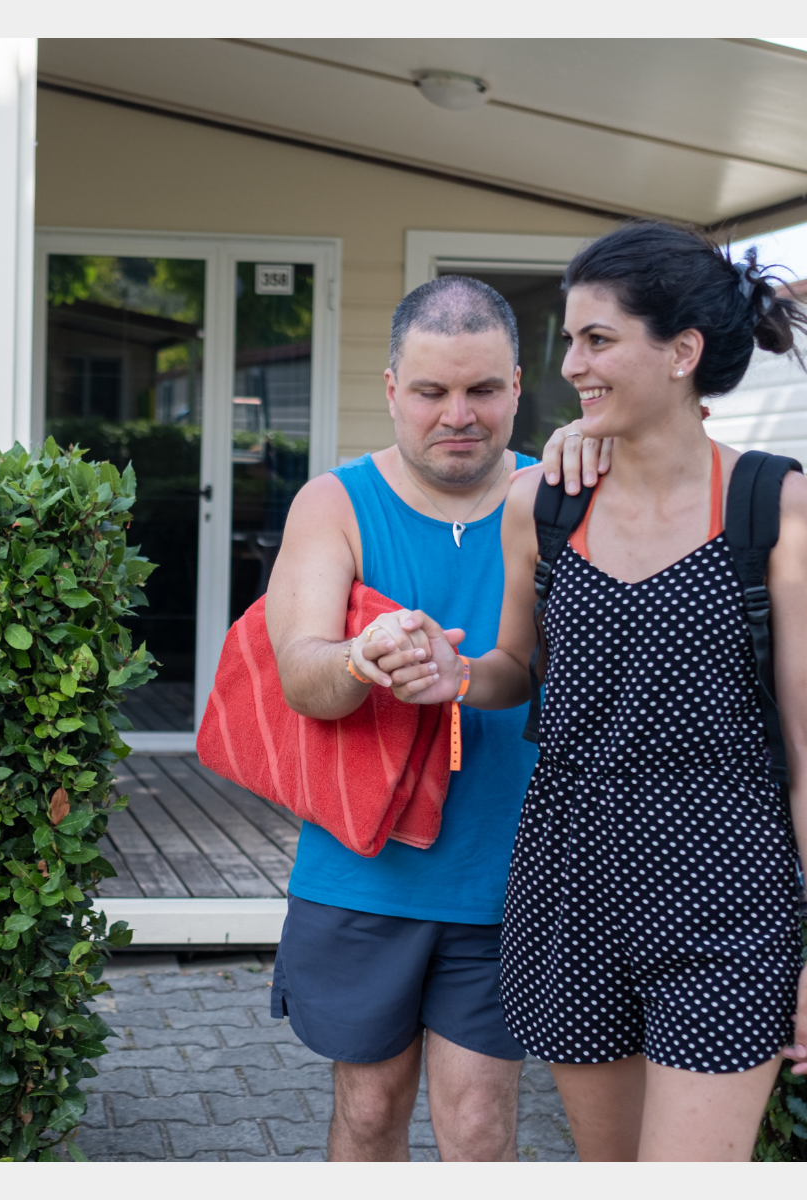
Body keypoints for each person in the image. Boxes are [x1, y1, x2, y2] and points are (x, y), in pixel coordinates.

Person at [382, 222, 807, 1162]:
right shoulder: (544, 502)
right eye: (570, 339)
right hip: (571, 883)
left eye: (597, 339)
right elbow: (519, 668)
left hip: (724, 890)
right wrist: (458, 675)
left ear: (682, 352)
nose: (571, 364)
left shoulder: (771, 504)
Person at [263, 274, 609, 1162]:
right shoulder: (333, 504)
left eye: (483, 389)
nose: (459, 413)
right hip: (360, 872)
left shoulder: (566, 497)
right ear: (391, 391)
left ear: (519, 389)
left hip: (512, 872)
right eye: (431, 391)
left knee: (481, 1126)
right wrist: (358, 660)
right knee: (371, 1111)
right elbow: (301, 676)